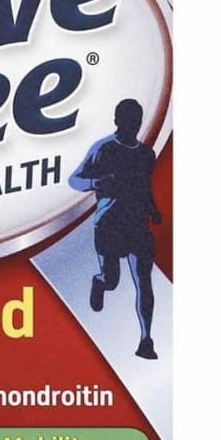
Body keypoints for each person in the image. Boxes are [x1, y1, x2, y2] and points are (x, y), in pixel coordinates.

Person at [69, 98, 161, 359]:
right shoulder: (104, 149)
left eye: (137, 120)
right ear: (118, 121)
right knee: (112, 280)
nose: (133, 125)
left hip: (138, 226)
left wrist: (153, 208)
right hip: (109, 224)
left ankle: (146, 340)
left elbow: (144, 186)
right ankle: (99, 282)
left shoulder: (146, 155)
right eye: (128, 120)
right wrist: (97, 182)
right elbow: (74, 179)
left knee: (144, 283)